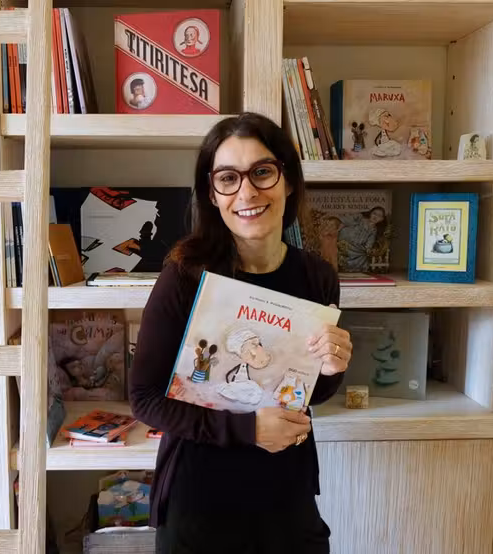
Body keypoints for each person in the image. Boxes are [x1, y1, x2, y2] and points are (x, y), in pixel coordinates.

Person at [129, 112, 353, 553]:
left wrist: (332, 367)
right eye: (228, 178)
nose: (247, 192)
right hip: (200, 497)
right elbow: (145, 399)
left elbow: (310, 393)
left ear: (288, 180)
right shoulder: (185, 274)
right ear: (212, 194)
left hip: (286, 492)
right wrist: (247, 431)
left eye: (262, 172)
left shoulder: (318, 275)